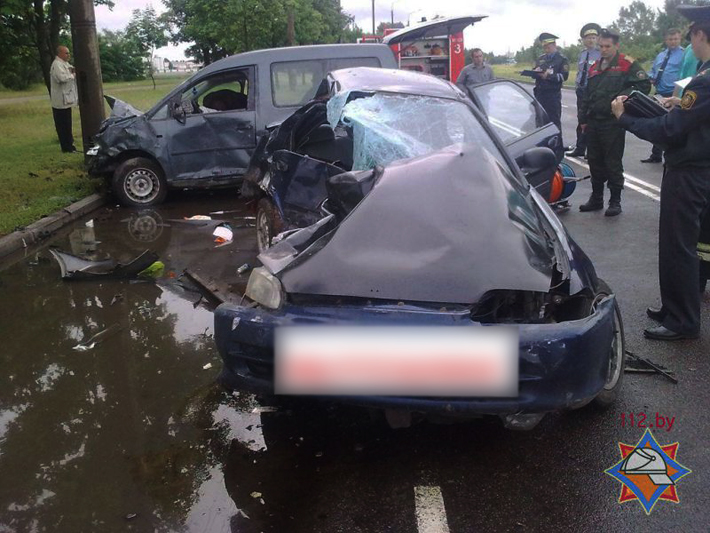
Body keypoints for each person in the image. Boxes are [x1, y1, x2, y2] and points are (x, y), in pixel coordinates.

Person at [611, 5, 710, 340]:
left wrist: (626, 119)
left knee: (678, 245)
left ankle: (683, 321)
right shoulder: (704, 76)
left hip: (690, 171)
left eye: (692, 34)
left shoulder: (705, 80)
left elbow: (670, 130)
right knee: (678, 243)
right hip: (696, 168)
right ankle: (673, 308)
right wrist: (676, 103)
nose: (691, 42)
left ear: (699, 35)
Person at [578, 28, 651, 217]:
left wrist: (623, 97)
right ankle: (596, 198)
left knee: (612, 162)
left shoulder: (626, 64)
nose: (603, 50)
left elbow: (644, 84)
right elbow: (587, 93)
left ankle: (615, 201)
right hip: (594, 121)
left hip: (612, 121)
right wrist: (583, 119)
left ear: (616, 46)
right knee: (594, 161)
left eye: (607, 46)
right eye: (601, 46)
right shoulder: (595, 66)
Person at [641, 28, 685, 163]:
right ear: (666, 40)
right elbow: (654, 71)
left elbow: (684, 74)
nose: (673, 42)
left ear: (680, 39)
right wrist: (649, 77)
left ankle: (673, 156)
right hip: (660, 93)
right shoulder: (661, 55)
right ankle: (656, 155)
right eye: (670, 39)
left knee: (673, 125)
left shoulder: (684, 55)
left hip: (673, 94)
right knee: (658, 124)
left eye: (676, 39)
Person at [567, 23, 602, 158]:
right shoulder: (582, 54)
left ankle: (591, 150)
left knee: (592, 121)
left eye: (593, 37)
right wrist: (577, 85)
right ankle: (580, 147)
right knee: (581, 119)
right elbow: (580, 72)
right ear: (583, 40)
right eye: (588, 38)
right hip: (581, 91)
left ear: (597, 39)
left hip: (593, 92)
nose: (591, 40)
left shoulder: (601, 54)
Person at [531, 33, 569, 138]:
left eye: (548, 46)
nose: (546, 49)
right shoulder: (541, 58)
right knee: (540, 122)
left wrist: (549, 76)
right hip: (540, 94)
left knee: (554, 123)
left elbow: (564, 76)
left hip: (552, 96)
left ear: (554, 45)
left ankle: (557, 146)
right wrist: (535, 72)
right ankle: (542, 145)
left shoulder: (561, 59)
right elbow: (534, 73)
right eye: (544, 47)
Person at [50, 45, 78, 153]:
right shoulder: (57, 64)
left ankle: (70, 145)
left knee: (67, 124)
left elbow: (71, 68)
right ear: (60, 53)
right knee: (63, 126)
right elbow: (62, 78)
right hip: (60, 102)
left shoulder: (64, 64)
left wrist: (73, 71)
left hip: (66, 100)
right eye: (66, 53)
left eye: (68, 53)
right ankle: (66, 147)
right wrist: (73, 75)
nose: (68, 55)